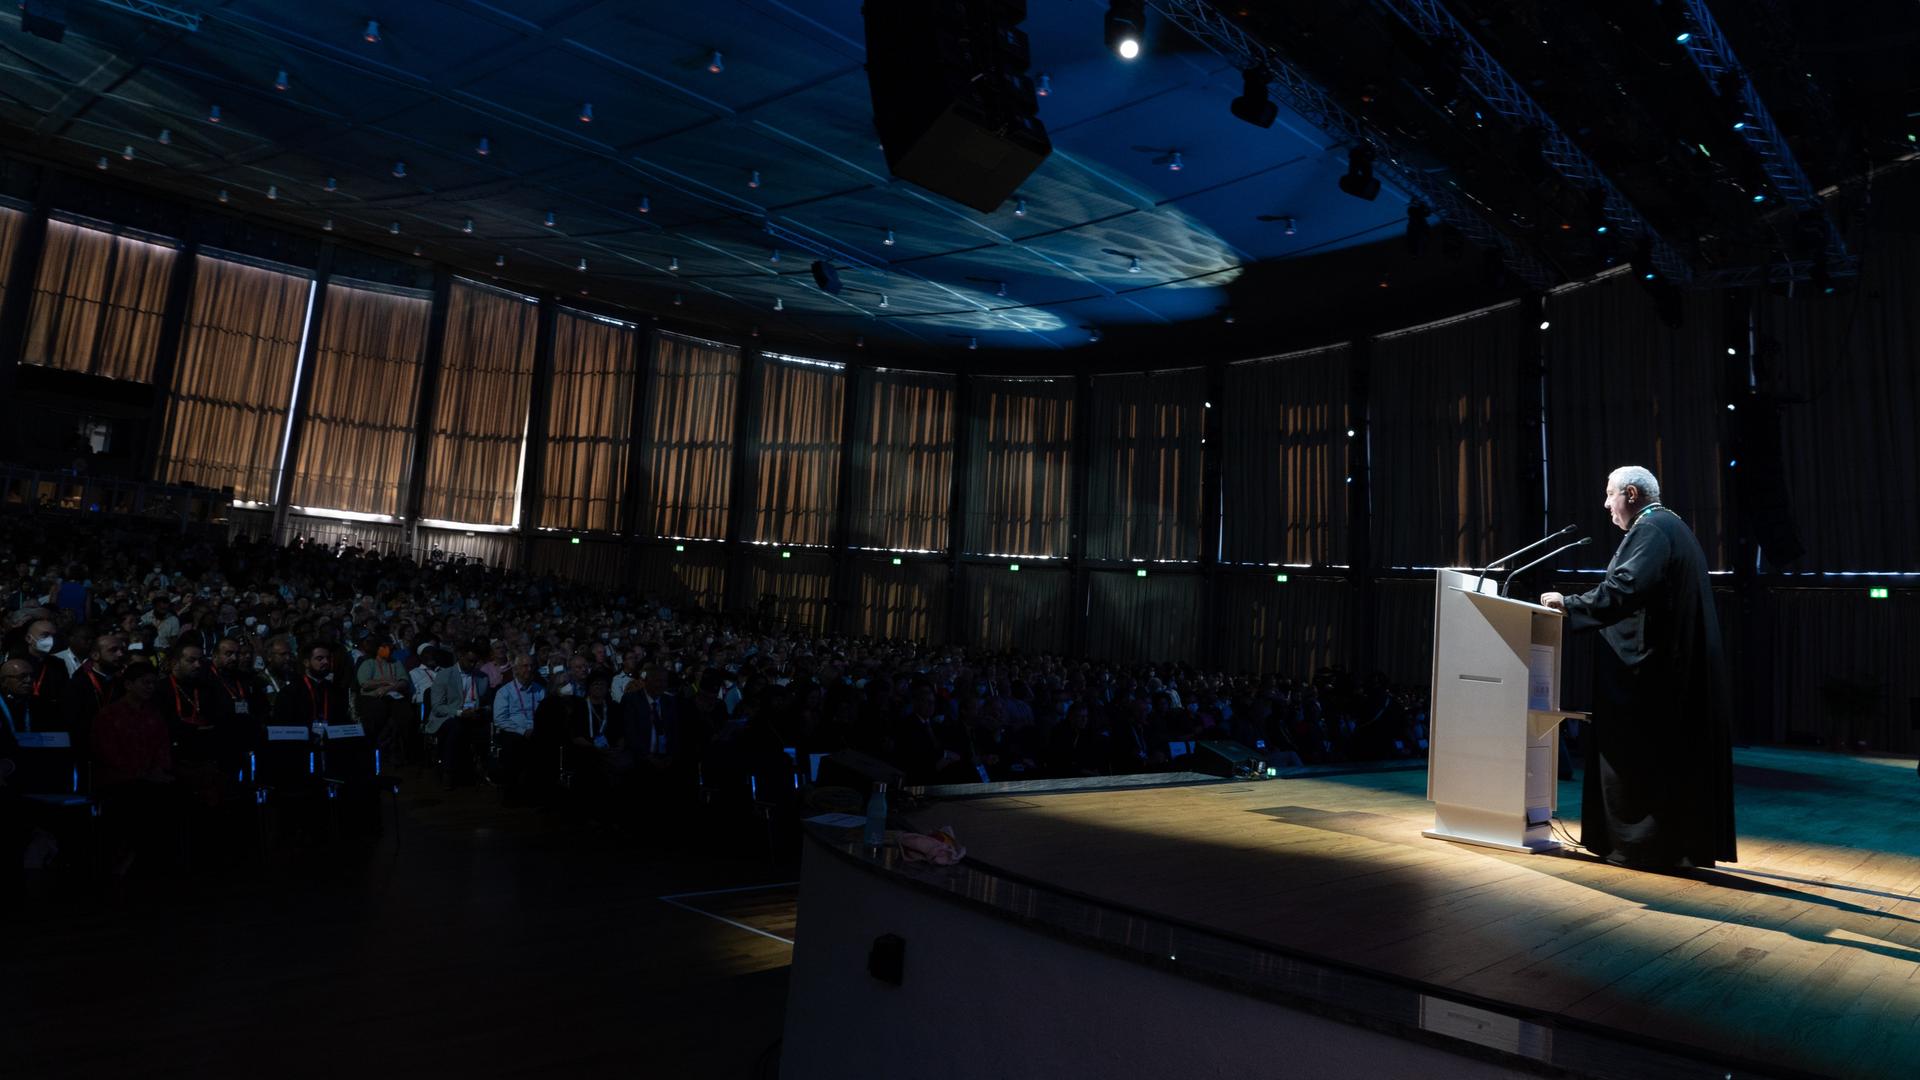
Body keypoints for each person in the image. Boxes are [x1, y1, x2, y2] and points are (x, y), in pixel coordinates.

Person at [1542, 465, 1736, 871]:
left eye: (1610, 494)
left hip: (1654, 676)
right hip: (1673, 671)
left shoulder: (1650, 530)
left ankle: (1641, 848)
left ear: (1631, 493)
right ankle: (1665, 849)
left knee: (1643, 762)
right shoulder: (1670, 527)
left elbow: (1625, 588)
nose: (1605, 504)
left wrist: (1570, 604)